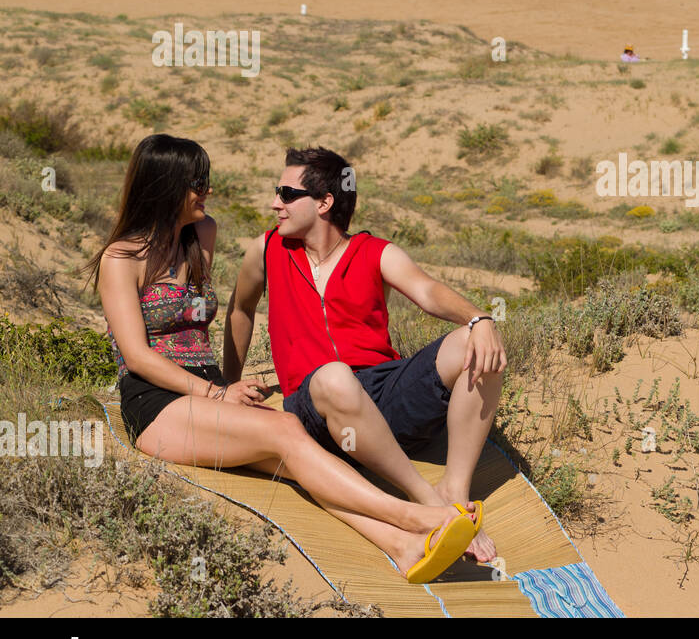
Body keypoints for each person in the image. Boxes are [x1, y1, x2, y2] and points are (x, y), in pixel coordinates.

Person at [91, 135, 480, 584]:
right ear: (166, 186)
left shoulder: (201, 234)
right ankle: (419, 517)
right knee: (287, 430)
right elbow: (137, 357)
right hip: (156, 402)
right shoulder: (121, 258)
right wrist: (217, 391)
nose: (208, 191)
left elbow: (226, 315)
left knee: (299, 462)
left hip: (206, 391)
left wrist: (224, 385)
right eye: (198, 182)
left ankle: (402, 547)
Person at [224, 147, 505, 563]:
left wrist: (479, 319)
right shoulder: (267, 250)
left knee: (475, 342)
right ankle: (429, 504)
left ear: (324, 202)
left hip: (382, 396)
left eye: (286, 193)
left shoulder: (374, 251)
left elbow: (427, 291)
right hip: (314, 407)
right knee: (334, 377)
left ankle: (454, 491)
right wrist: (229, 383)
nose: (275, 203)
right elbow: (240, 308)